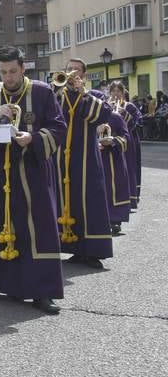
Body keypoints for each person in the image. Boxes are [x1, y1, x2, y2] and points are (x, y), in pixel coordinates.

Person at [0, 46, 67, 314]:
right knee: (4, 224)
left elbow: (58, 126)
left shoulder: (41, 91)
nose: (9, 77)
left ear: (23, 68)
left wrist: (34, 138)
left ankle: (43, 292)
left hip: (33, 171)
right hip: (0, 172)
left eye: (13, 71)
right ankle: (10, 285)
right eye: (3, 72)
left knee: (38, 227)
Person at [55, 59, 114, 269]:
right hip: (61, 157)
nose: (71, 73)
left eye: (76, 70)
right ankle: (74, 249)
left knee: (90, 200)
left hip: (86, 155)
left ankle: (94, 251)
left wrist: (84, 93)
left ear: (84, 75)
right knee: (66, 200)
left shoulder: (94, 96)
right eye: (68, 69)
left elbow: (104, 116)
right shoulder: (58, 94)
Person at [109, 82, 142, 208]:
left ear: (123, 93)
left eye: (118, 91)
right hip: (112, 141)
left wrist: (125, 115)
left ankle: (131, 196)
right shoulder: (107, 105)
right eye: (113, 91)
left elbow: (138, 123)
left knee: (128, 167)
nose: (116, 94)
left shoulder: (130, 106)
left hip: (128, 141)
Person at [99, 111, 131, 235]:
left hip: (113, 159)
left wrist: (112, 141)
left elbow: (126, 137)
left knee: (114, 188)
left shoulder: (115, 117)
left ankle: (115, 219)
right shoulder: (87, 118)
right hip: (94, 158)